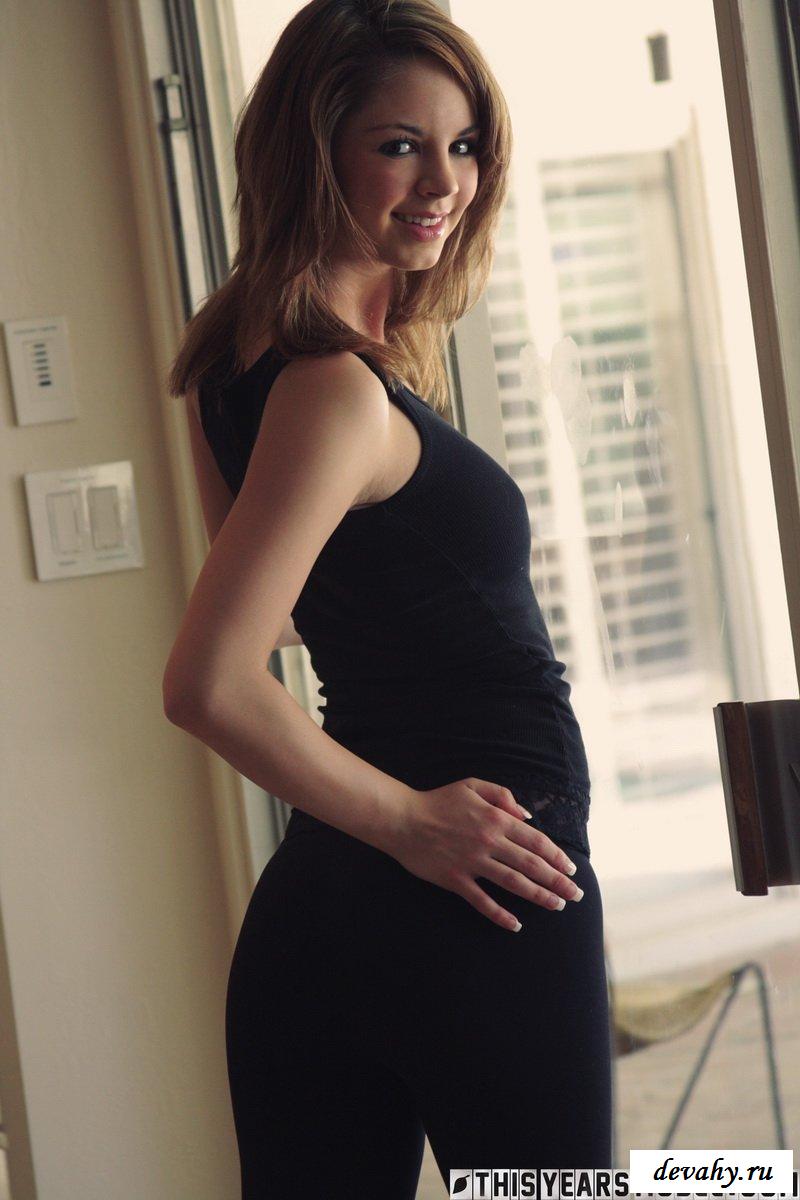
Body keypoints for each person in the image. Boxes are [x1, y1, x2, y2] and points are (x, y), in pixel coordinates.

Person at [163, 0, 613, 1194]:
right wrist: (416, 825)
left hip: (334, 893)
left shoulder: (232, 364)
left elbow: (301, 610)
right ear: (313, 153)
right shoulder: (335, 391)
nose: (443, 183)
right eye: (399, 144)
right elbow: (210, 684)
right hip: (480, 875)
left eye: (462, 146)